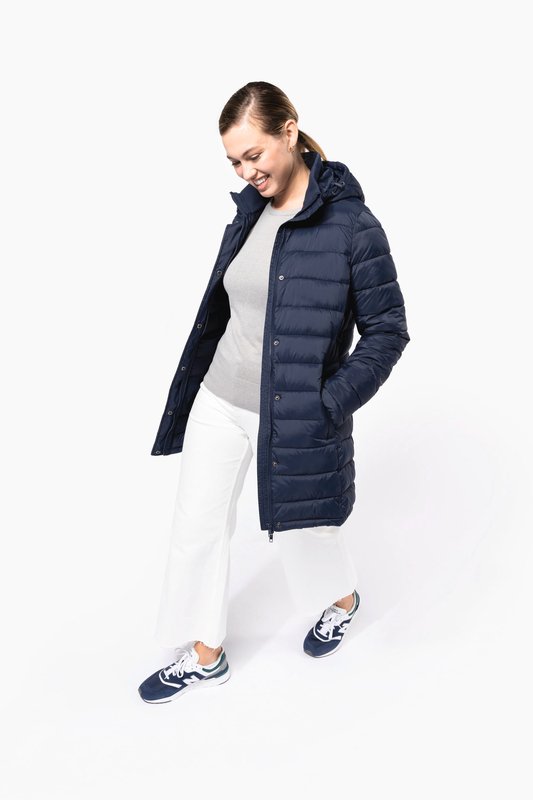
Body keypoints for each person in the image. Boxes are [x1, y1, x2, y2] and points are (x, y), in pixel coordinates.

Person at [138, 81, 410, 704]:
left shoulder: (352, 225)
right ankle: (204, 653)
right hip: (218, 397)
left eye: (253, 155)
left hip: (291, 410)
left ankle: (342, 598)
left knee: (303, 532)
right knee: (196, 527)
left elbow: (389, 330)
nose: (246, 172)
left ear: (289, 131)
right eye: (234, 162)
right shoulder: (249, 210)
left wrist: (329, 401)